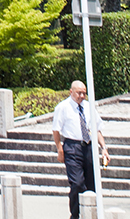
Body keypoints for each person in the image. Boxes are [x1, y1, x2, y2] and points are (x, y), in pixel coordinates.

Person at [52, 80, 110, 218]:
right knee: (77, 183)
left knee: (92, 184)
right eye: (79, 93)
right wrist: (60, 149)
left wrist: (104, 148)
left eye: (84, 93)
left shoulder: (89, 107)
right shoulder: (63, 107)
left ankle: (91, 213)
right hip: (72, 147)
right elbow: (56, 130)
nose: (82, 96)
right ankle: (76, 214)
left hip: (88, 146)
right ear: (71, 92)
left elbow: (96, 129)